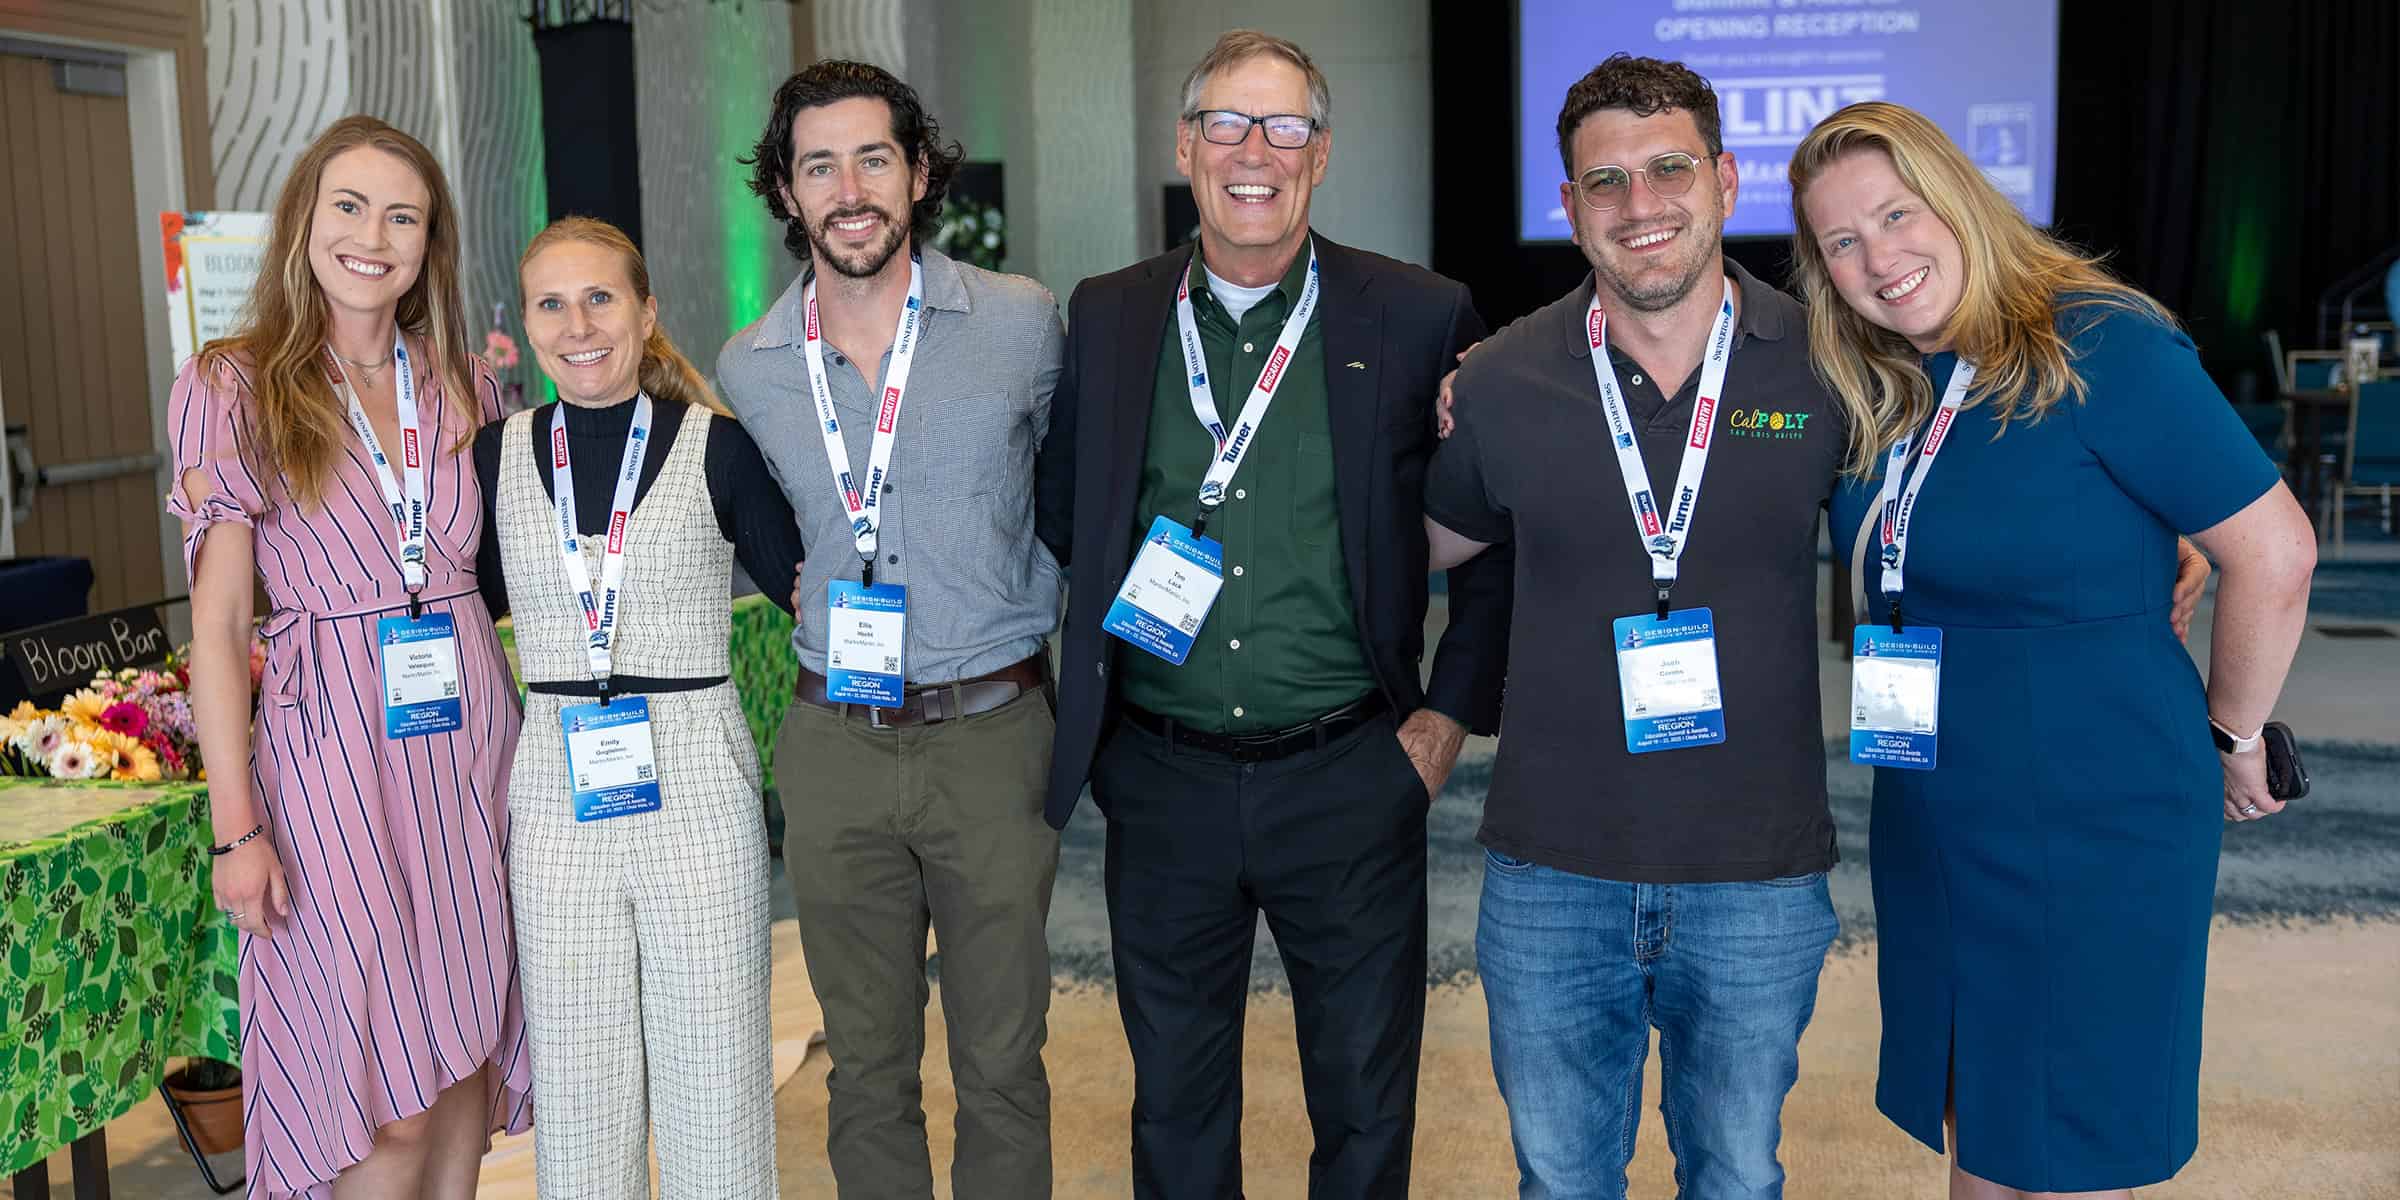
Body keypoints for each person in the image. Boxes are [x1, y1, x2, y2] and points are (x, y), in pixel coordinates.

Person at [1789, 101, 2316, 1199]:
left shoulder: (2098, 342)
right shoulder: (1881, 383)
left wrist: (2231, 732)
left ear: (1959, 198)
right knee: (1984, 1109)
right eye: (1841, 241)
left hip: (2089, 807)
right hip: (1936, 801)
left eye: (1897, 213)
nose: (1878, 257)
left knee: (2070, 1131)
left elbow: (2276, 551)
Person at [1034, 30, 1512, 1199]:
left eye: (1286, 126)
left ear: (1323, 151)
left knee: (1363, 1100)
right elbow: (1066, 510)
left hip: (1350, 774)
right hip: (1163, 781)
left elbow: (1494, 533)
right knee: (1175, 1107)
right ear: (1186, 145)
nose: (1258, 152)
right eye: (1229, 125)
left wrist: (1446, 721)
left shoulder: (1415, 313)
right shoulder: (1105, 314)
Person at [1422, 55, 1847, 1199]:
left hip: (1757, 870)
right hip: (1551, 872)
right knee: (1560, 1182)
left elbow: (1942, 509)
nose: (1639, 205)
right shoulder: (1503, 378)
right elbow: (1417, 547)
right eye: (1603, 182)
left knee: (1738, 1177)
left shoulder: (1830, 364)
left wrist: (2163, 535)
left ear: (1725, 176)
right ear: (1568, 207)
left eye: (1669, 170)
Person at [715, 60, 1067, 1198]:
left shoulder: (1020, 323)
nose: (850, 187)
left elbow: (1083, 491)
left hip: (993, 733)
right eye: (819, 164)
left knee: (1004, 1059)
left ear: (918, 174)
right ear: (785, 190)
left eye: (875, 157)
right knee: (864, 1066)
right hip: (836, 746)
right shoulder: (751, 366)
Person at [168, 114, 530, 1199]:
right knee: (382, 1106)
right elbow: (221, 628)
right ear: (304, 224)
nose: (374, 235)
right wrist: (238, 831)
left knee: (462, 1060)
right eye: (349, 206)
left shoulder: (465, 384)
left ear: (430, 242)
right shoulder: (235, 385)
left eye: (402, 214)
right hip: (331, 767)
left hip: (472, 760)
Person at [470, 216, 801, 1197]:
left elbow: (805, 589)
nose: (578, 323)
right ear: (527, 325)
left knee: (716, 1070)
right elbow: (447, 603)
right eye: (551, 303)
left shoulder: (719, 449)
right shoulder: (492, 458)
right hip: (556, 780)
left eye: (601, 297)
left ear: (646, 311)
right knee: (580, 1079)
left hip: (696, 769)